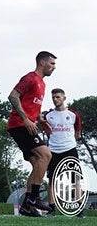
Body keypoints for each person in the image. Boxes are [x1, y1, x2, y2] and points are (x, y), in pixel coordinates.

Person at [7, 51, 56, 217]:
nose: (54, 67)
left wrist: (40, 120)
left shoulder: (42, 84)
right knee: (46, 154)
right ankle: (34, 197)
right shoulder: (30, 78)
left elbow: (33, 106)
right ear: (42, 63)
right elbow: (13, 96)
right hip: (19, 125)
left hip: (27, 125)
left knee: (37, 162)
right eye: (52, 64)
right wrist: (26, 118)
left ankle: (27, 206)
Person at [40, 88, 85, 218]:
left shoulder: (73, 115)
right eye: (53, 97)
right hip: (53, 151)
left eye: (58, 97)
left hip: (70, 150)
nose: (55, 99)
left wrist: (68, 143)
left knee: (75, 180)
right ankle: (51, 209)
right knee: (52, 180)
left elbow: (77, 133)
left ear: (64, 98)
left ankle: (79, 210)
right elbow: (46, 131)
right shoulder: (48, 115)